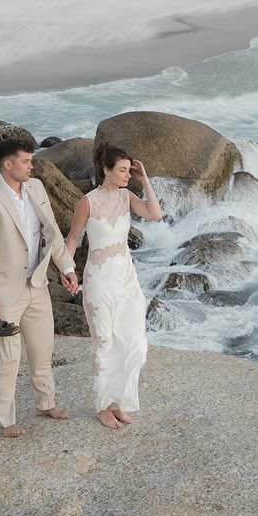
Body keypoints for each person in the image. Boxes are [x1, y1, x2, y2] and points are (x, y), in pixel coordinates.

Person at [0, 144, 80, 439]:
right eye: (26, 161)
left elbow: (53, 233)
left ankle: (46, 404)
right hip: (5, 293)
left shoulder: (37, 188)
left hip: (38, 284)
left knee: (43, 349)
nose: (32, 166)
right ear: (8, 165)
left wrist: (66, 268)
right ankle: (6, 422)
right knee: (6, 357)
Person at [66, 147, 161, 429]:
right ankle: (103, 406)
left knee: (133, 341)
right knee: (105, 341)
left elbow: (155, 214)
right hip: (99, 279)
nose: (126, 175)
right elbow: (72, 239)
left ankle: (119, 401)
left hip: (126, 278)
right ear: (106, 170)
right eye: (122, 170)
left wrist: (145, 180)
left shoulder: (127, 196)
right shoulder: (88, 202)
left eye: (129, 170)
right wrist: (68, 270)